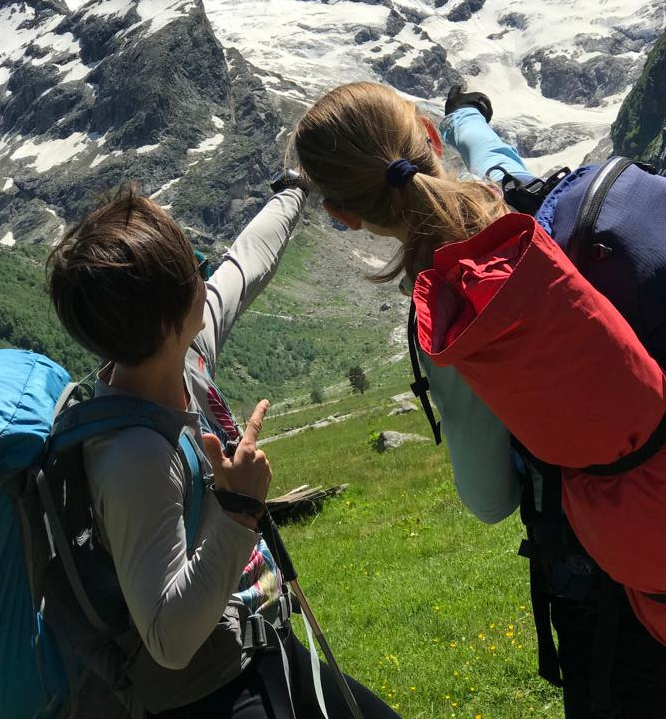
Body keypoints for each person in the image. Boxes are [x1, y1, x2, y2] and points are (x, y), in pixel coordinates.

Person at [291, 81, 666, 719]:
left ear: (343, 214)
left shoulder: (455, 317)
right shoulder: (546, 203)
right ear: (429, 139)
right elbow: (492, 155)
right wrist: (466, 114)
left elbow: (489, 500)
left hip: (610, 576)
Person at [46, 179, 401, 719]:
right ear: (171, 313)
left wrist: (294, 190)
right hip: (210, 694)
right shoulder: (133, 457)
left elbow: (245, 264)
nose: (205, 270)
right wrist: (238, 513)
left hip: (263, 651)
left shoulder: (177, 354)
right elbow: (168, 638)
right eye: (194, 267)